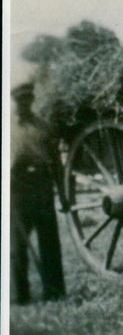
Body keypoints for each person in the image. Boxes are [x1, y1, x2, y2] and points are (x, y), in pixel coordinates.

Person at [10, 82, 66, 303]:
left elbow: (57, 164)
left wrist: (63, 195)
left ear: (32, 101)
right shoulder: (8, 128)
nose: (24, 104)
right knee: (17, 247)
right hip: (17, 189)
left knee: (50, 242)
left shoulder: (44, 127)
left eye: (27, 100)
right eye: (20, 101)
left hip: (42, 186)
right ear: (14, 102)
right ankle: (22, 296)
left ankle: (55, 293)